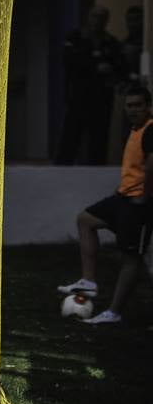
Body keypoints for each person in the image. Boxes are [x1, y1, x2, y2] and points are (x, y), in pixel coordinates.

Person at [57, 84, 153, 325]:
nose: (133, 109)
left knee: (131, 258)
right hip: (123, 198)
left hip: (139, 204)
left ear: (149, 107)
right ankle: (88, 282)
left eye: (138, 105)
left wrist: (145, 197)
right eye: (129, 105)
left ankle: (114, 312)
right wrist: (121, 191)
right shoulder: (134, 129)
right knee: (85, 219)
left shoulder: (151, 129)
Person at [55, 5, 128, 165]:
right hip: (79, 95)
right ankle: (61, 169)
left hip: (102, 97)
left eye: (102, 17)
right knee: (71, 136)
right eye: (95, 16)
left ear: (106, 20)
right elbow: (69, 60)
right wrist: (95, 66)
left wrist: (114, 74)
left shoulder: (111, 42)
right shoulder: (75, 38)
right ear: (88, 17)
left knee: (99, 138)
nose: (98, 20)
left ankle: (96, 170)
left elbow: (121, 67)